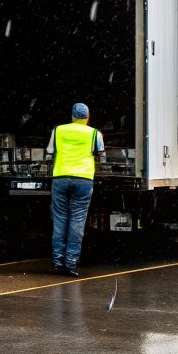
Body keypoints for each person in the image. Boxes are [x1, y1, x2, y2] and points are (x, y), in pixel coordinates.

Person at [47, 102, 103, 276]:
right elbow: (101, 153)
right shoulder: (94, 133)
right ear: (87, 117)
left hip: (61, 178)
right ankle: (71, 263)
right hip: (83, 179)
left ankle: (58, 262)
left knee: (60, 220)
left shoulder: (58, 130)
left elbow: (50, 151)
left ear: (72, 116)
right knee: (77, 221)